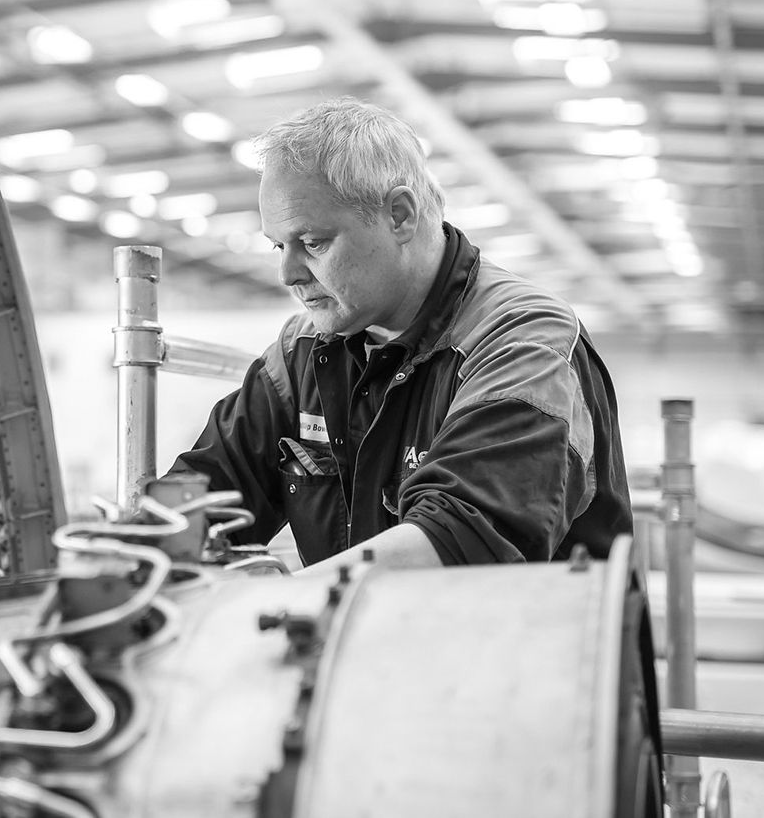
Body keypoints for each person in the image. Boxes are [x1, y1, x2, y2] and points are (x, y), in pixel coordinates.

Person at [168, 97, 631, 575]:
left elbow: (460, 542)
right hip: (371, 642)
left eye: (312, 243)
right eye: (277, 246)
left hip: (523, 645)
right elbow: (208, 488)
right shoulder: (302, 354)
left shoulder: (522, 341)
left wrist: (283, 599)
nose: (287, 273)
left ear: (400, 215)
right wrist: (133, 553)